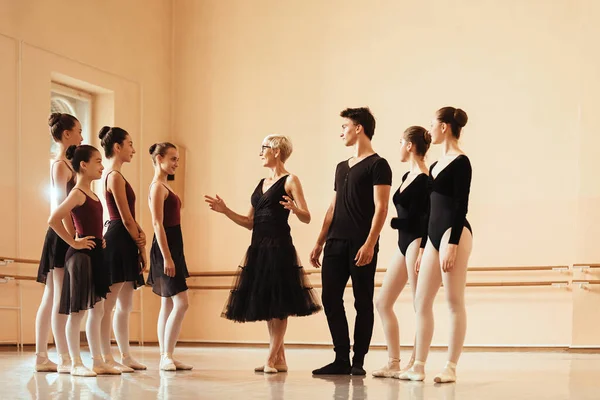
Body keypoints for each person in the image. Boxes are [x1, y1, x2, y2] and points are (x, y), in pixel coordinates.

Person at [205, 134, 321, 373]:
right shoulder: (261, 183)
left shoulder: (290, 180)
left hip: (279, 247)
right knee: (270, 303)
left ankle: (270, 359)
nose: (260, 152)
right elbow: (249, 221)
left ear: (276, 151)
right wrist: (225, 210)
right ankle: (279, 358)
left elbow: (307, 217)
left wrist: (294, 209)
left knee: (279, 304)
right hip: (258, 247)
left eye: (264, 148)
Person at [310, 107, 392, 376]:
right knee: (330, 298)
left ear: (359, 128)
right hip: (335, 243)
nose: (341, 132)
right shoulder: (341, 167)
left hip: (361, 244)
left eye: (345, 126)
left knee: (362, 301)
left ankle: (358, 361)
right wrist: (320, 241)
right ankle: (341, 358)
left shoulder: (379, 165)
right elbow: (333, 208)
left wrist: (370, 243)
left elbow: (381, 208)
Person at [398, 107, 473, 383]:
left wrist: (452, 243)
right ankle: (418, 365)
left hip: (455, 234)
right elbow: (429, 211)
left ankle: (451, 366)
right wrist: (422, 247)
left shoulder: (461, 162)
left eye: (432, 125)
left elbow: (461, 205)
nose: (429, 131)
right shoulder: (434, 165)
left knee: (453, 301)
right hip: (432, 236)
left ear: (444, 127)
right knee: (421, 300)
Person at [48, 144, 117, 377]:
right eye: (97, 161)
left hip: (95, 253)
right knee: (77, 312)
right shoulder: (77, 192)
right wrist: (74, 242)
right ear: (83, 165)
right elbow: (53, 219)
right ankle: (75, 362)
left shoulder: (93, 194)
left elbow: (93, 222)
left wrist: (100, 240)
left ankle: (97, 361)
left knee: (97, 310)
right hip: (80, 258)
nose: (102, 166)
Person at [373, 126, 431, 378]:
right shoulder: (406, 176)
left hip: (416, 243)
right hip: (402, 242)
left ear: (409, 146)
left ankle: (416, 363)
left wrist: (422, 249)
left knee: (420, 305)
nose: (398, 147)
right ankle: (393, 361)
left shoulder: (426, 179)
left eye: (400, 142)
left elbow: (428, 218)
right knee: (383, 302)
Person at [34, 113, 82, 373]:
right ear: (67, 134)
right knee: (57, 297)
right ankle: (61, 357)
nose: (82, 136)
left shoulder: (67, 164)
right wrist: (71, 239)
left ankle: (43, 356)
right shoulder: (61, 165)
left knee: (52, 295)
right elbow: (58, 210)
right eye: (79, 131)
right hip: (60, 236)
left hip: (64, 234)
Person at [99, 126, 147, 372]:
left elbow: (131, 218)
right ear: (117, 147)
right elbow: (125, 218)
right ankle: (107, 356)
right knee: (109, 303)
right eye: (130, 144)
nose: (134, 149)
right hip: (119, 238)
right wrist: (140, 239)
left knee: (125, 304)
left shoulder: (117, 175)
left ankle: (126, 355)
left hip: (126, 237)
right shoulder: (114, 176)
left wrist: (141, 234)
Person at [147, 142, 192, 371]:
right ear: (159, 158)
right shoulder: (157, 187)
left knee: (167, 303)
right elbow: (157, 223)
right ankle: (166, 355)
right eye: (172, 159)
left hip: (175, 244)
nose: (176, 163)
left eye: (177, 159)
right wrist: (167, 257)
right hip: (166, 248)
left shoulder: (167, 186)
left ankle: (168, 354)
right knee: (181, 302)